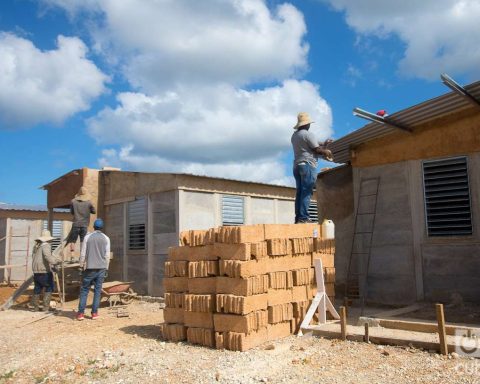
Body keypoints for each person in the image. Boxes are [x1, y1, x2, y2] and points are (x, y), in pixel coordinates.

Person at [291, 112, 333, 224]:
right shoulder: (308, 134)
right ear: (306, 124)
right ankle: (304, 218)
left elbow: (311, 146)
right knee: (307, 192)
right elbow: (317, 150)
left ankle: (299, 218)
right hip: (307, 165)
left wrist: (324, 144)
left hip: (297, 166)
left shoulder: (294, 136)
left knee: (300, 192)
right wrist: (326, 152)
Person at [77, 218, 110, 321]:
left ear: (94, 227)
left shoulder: (87, 237)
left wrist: (81, 265)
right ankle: (94, 313)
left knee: (84, 290)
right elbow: (107, 255)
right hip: (101, 268)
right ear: (102, 227)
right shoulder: (106, 238)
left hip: (90, 268)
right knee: (97, 291)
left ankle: (81, 314)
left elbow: (83, 253)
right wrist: (106, 268)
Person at [30, 230, 60, 312]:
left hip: (36, 271)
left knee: (37, 288)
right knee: (49, 287)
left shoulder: (36, 246)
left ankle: (35, 307)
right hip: (44, 271)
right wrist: (56, 261)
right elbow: (47, 257)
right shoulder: (46, 246)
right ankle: (45, 308)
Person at [67, 186, 96, 253]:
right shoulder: (89, 203)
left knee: (72, 240)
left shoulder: (73, 201)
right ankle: (81, 256)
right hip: (84, 225)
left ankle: (72, 256)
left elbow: (72, 212)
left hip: (75, 224)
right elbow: (94, 211)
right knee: (83, 241)